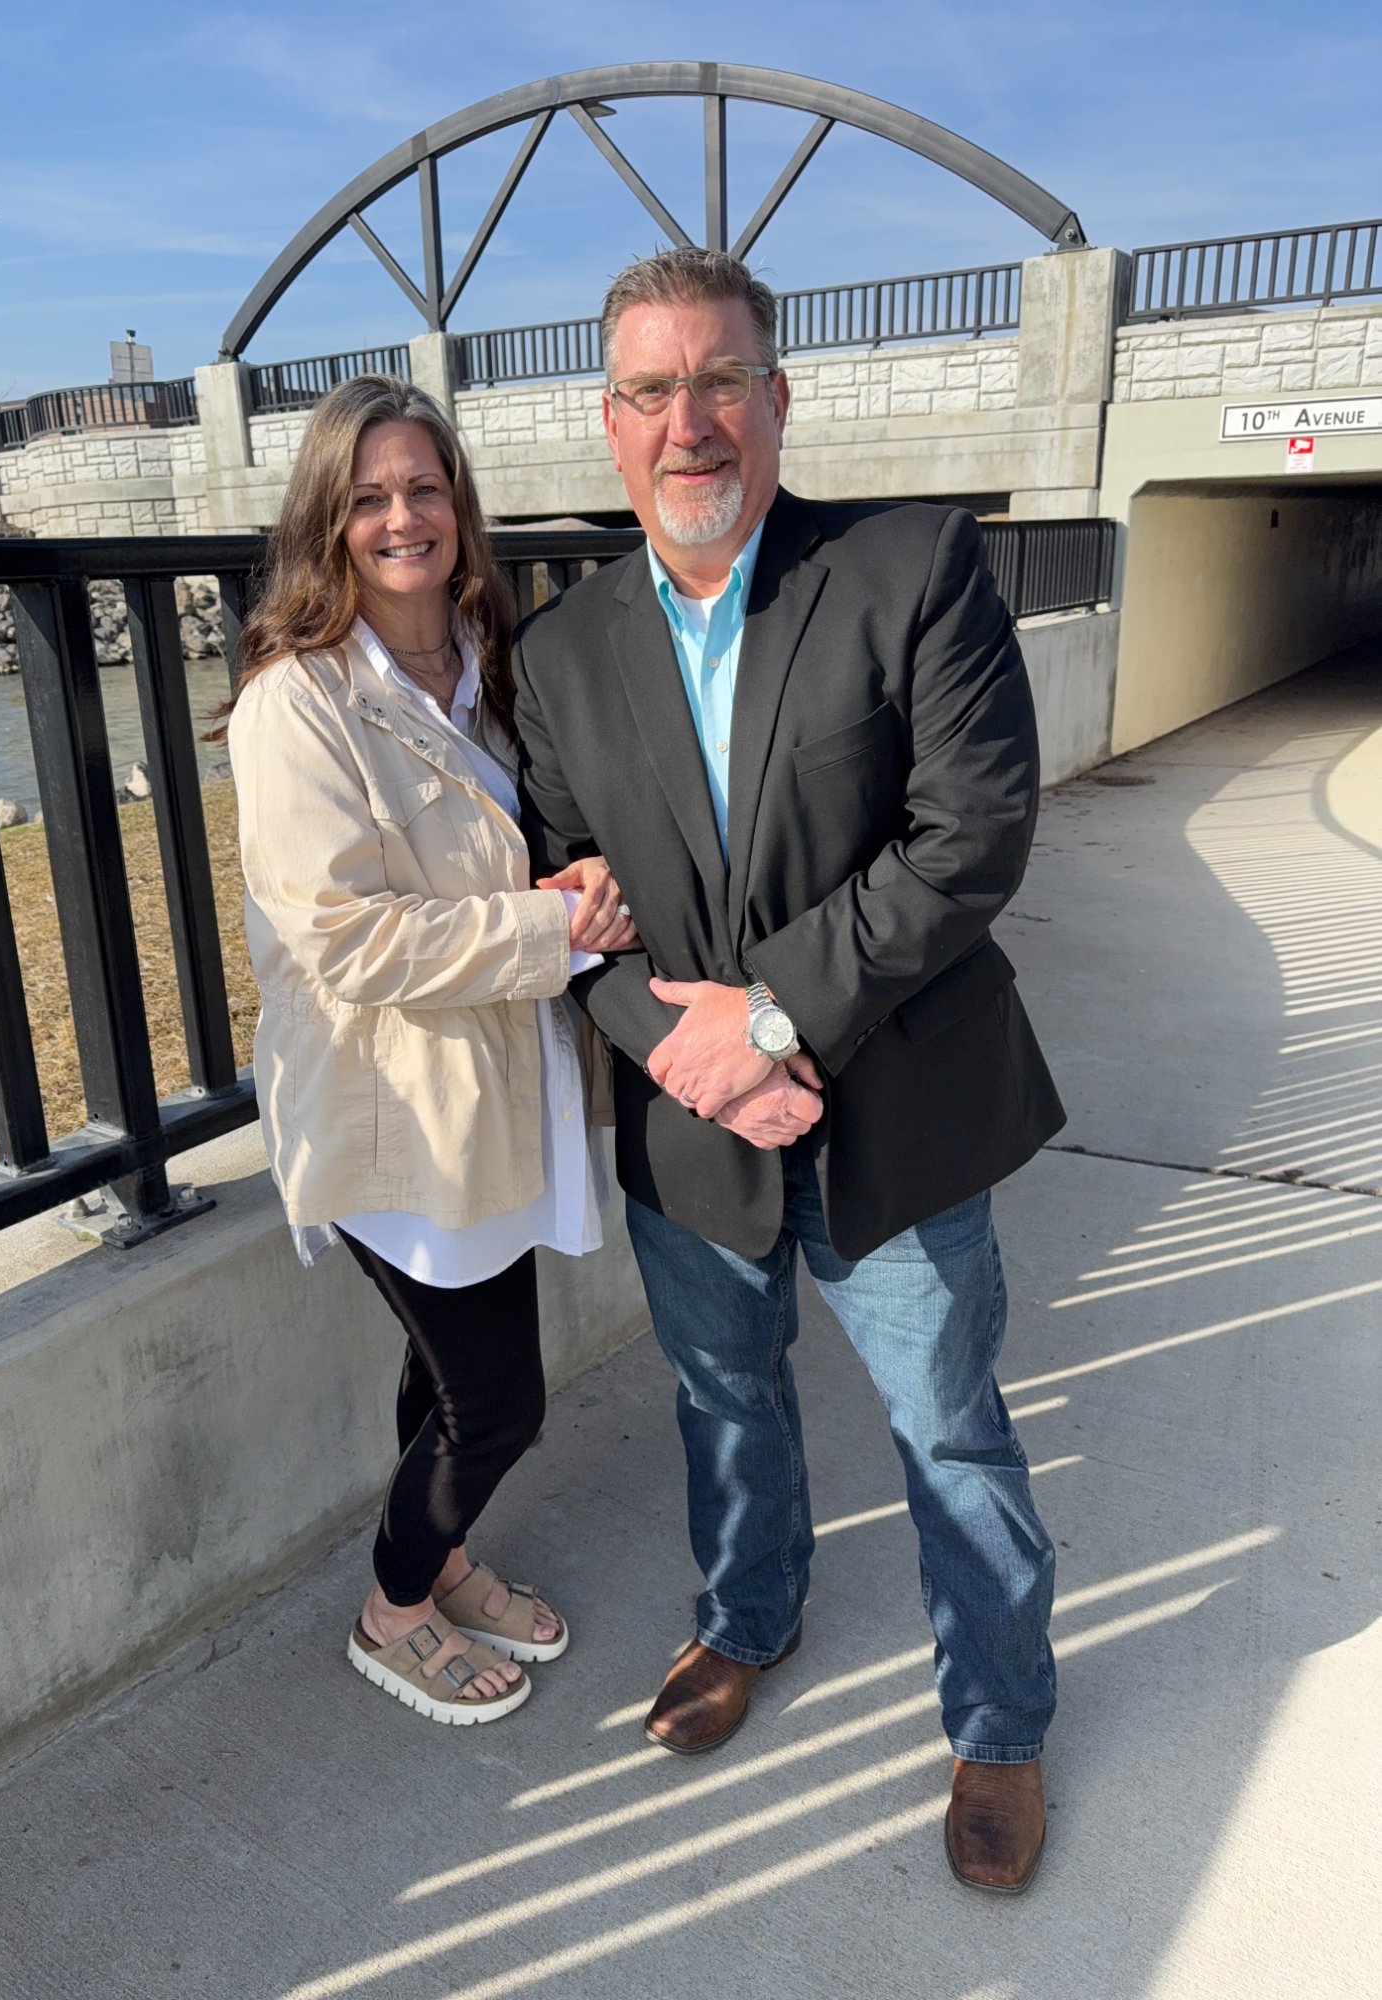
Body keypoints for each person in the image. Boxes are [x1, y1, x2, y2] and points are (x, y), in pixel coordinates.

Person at [513, 249, 1067, 1890]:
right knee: (723, 1400)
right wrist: (692, 1061)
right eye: (651, 390)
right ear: (608, 426)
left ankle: (1002, 1724)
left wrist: (759, 1019)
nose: (690, 424)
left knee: (950, 1431)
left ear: (775, 399)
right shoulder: (559, 656)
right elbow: (566, 904)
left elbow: (973, 838)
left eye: (720, 382)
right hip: (698, 1136)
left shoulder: (909, 567)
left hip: (889, 1106)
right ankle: (747, 1621)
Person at [227, 374, 636, 1727]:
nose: (403, 516)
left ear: (460, 506)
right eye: (368, 497)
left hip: (489, 1092)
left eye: (424, 488)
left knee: (444, 1367)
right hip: (395, 1109)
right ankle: (394, 1606)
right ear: (326, 523)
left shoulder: (481, 657)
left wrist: (579, 884)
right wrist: (549, 929)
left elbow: (535, 832)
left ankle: (444, 1561)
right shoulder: (302, 702)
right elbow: (346, 939)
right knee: (497, 1403)